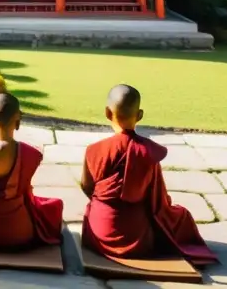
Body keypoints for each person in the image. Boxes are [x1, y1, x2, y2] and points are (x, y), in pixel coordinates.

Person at [80, 84, 217, 266]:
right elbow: (156, 200)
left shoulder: (94, 150)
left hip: (99, 235)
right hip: (138, 242)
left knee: (92, 208)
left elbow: (86, 187)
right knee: (181, 215)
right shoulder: (147, 152)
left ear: (107, 113)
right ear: (139, 115)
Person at [0, 93, 63, 250]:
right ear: (18, 118)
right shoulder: (33, 154)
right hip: (20, 233)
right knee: (53, 207)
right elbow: (23, 188)